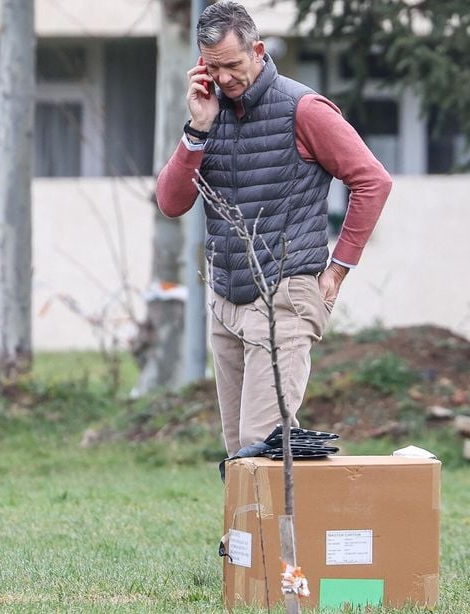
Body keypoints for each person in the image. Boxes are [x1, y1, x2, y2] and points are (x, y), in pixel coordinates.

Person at [155, 1, 392, 457]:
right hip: (226, 298)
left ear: (258, 50)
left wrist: (337, 270)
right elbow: (171, 203)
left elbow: (372, 180)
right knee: (237, 450)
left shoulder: (303, 109)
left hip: (286, 294)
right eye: (211, 67)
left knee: (261, 443)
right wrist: (197, 131)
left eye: (232, 65)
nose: (223, 78)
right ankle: (243, 533)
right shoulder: (208, 113)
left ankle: (307, 527)